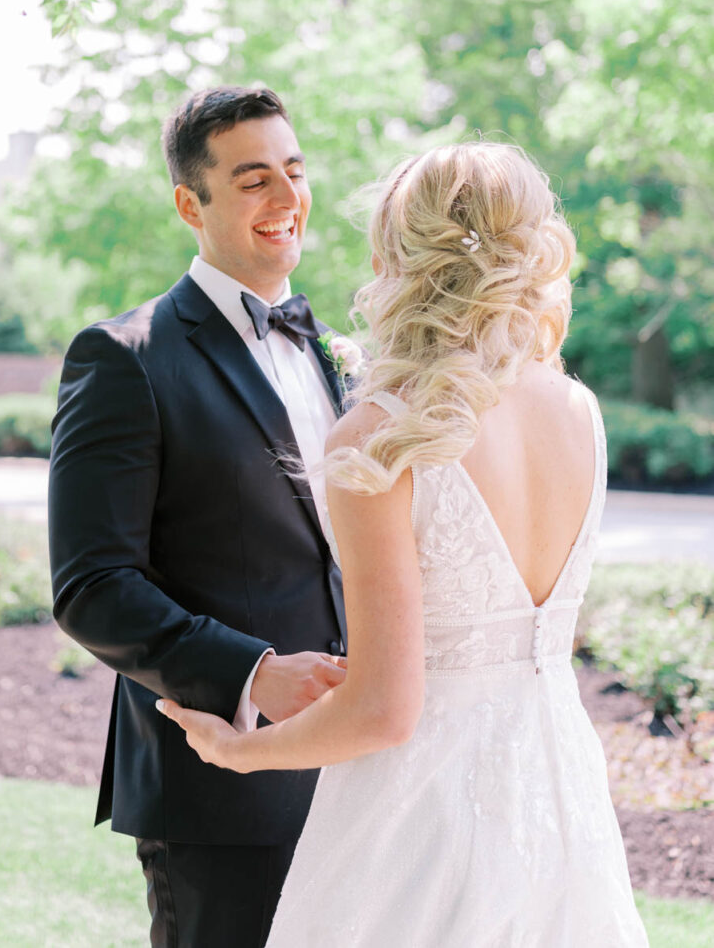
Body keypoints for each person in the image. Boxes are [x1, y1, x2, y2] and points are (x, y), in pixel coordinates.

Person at [160, 141, 649, 947]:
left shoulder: (381, 440)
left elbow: (386, 710)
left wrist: (244, 750)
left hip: (424, 817)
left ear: (400, 256)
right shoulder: (579, 411)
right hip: (560, 797)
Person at [48, 86, 349, 948]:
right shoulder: (123, 358)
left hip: (357, 773)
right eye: (254, 179)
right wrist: (254, 673)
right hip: (220, 785)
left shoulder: (333, 351)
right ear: (191, 202)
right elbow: (91, 585)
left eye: (294, 171)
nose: (287, 198)